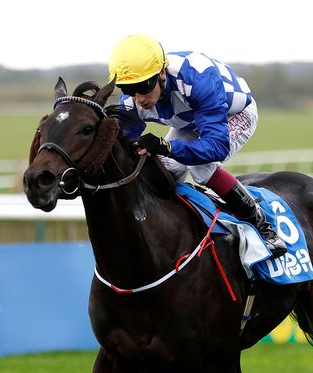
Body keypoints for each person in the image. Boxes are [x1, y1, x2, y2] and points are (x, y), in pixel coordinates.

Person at [107, 33, 287, 259]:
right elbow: (121, 147)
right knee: (163, 169)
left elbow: (216, 146)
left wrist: (167, 146)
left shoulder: (197, 78)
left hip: (233, 116)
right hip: (191, 121)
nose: (138, 98)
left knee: (201, 169)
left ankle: (262, 225)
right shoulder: (133, 101)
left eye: (144, 86)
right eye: (128, 89)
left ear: (162, 73)